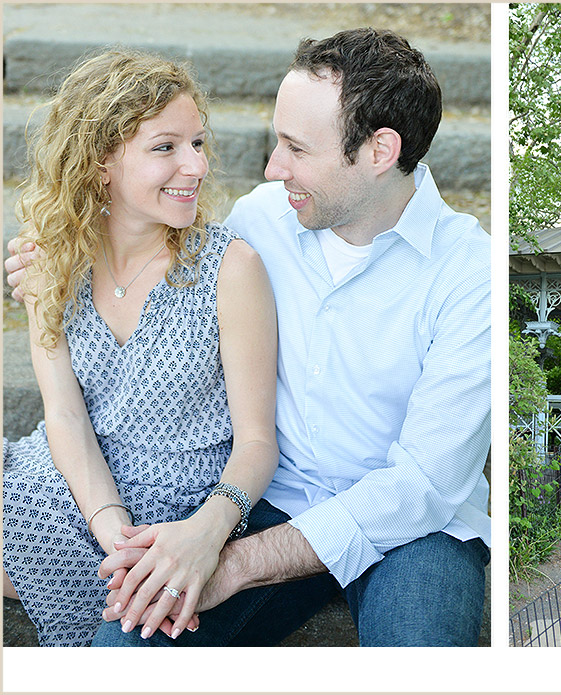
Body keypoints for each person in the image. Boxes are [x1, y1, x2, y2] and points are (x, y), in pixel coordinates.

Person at [5, 28, 492, 647]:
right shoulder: (262, 219)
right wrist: (47, 258)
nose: (270, 168)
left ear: (379, 151)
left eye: (295, 147)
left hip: (413, 530)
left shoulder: (469, 273)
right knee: (127, 647)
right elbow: (150, 242)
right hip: (268, 501)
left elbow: (423, 487)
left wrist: (228, 562)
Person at [1, 48, 279, 647]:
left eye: (198, 143)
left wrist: (205, 527)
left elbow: (258, 443)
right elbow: (66, 416)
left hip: (184, 511)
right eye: (166, 148)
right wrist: (109, 526)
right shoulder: (56, 261)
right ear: (101, 162)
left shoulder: (231, 269)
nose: (197, 166)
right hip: (71, 486)